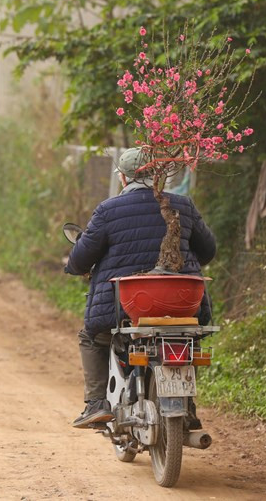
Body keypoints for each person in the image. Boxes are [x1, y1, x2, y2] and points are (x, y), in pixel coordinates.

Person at [65, 147, 216, 428]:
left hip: (126, 306)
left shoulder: (108, 210)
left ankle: (96, 403)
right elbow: (207, 251)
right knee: (186, 341)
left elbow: (82, 257)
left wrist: (75, 266)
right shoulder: (183, 205)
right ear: (159, 174)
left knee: (92, 337)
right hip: (184, 305)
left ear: (123, 178)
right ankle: (188, 407)